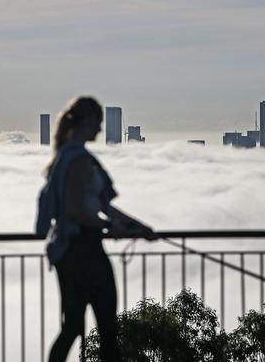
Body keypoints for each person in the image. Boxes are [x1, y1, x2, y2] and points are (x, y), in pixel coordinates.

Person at [36, 96, 156, 362]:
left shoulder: (64, 157)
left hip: (67, 251)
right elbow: (79, 211)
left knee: (72, 327)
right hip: (84, 251)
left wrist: (138, 227)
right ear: (87, 121)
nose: (100, 130)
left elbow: (103, 207)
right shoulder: (78, 160)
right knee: (107, 329)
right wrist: (113, 227)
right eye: (98, 123)